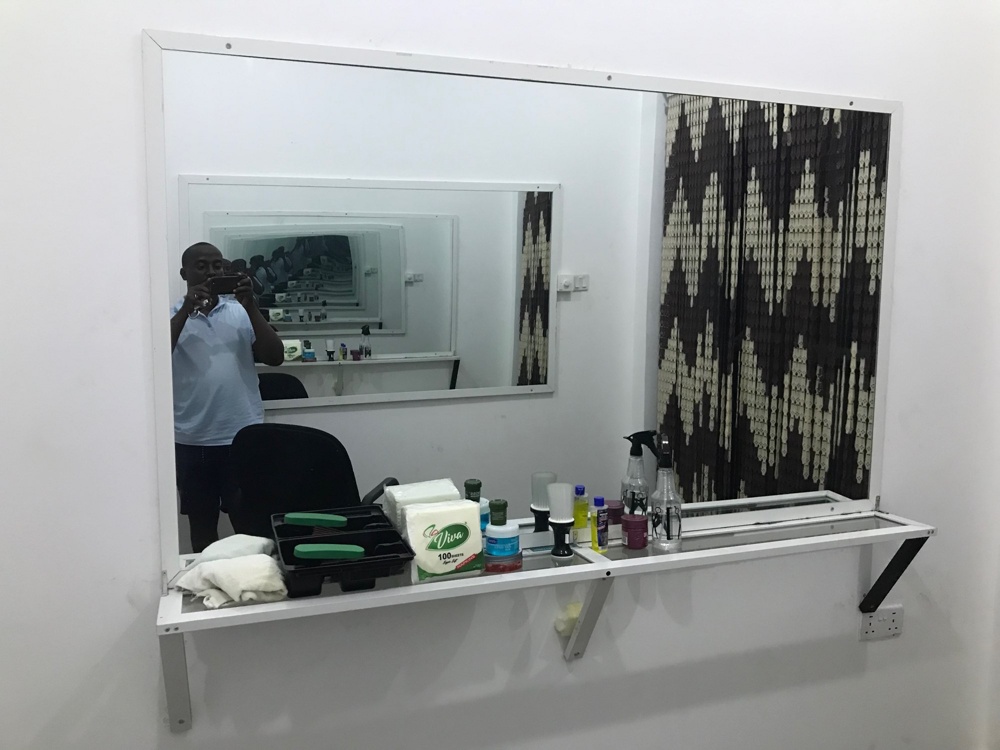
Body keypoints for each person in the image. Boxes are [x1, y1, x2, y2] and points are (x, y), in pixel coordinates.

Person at [170, 242, 284, 551]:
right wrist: (185, 311)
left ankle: (256, 580)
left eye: (217, 265)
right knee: (201, 527)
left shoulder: (241, 312)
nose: (211, 272)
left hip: (242, 436)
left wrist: (251, 306)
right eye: (201, 266)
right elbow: (155, 359)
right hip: (192, 440)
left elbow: (275, 357)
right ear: (184, 273)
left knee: (250, 526)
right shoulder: (170, 317)